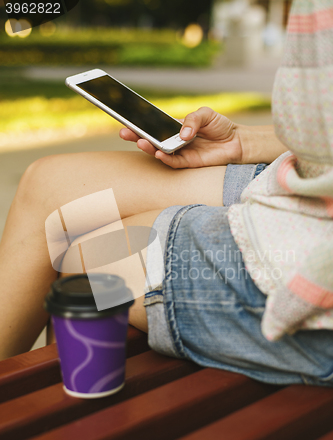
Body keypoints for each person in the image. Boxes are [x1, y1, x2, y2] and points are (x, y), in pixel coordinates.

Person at [0, 0, 332, 387]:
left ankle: (46, 423)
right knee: (50, 185)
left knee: (83, 258)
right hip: (316, 176)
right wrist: (245, 142)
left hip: (316, 251)